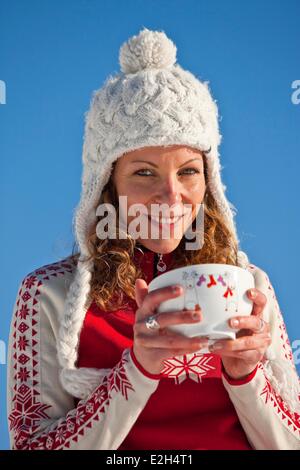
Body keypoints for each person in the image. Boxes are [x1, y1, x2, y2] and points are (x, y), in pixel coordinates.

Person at [7, 28, 300, 450]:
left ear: (209, 183)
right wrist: (137, 370)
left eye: (188, 171)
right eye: (144, 172)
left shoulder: (250, 286)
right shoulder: (48, 294)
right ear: (107, 186)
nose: (171, 195)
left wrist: (246, 375)